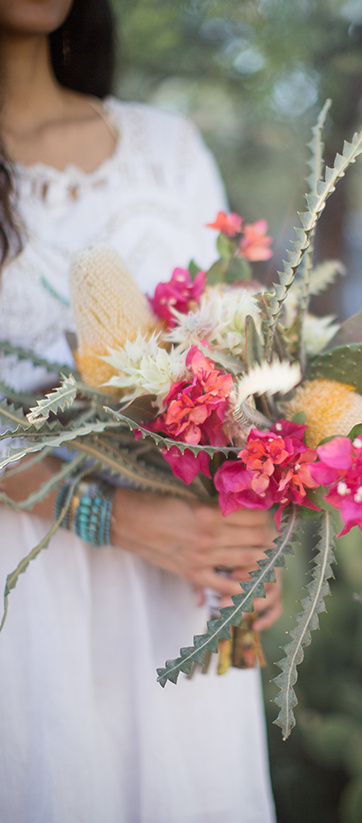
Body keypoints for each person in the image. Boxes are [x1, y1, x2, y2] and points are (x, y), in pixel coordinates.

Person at [0, 1, 280, 820]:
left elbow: (239, 353)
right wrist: (107, 516)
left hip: (182, 594)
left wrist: (253, 525)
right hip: (26, 600)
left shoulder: (168, 148)